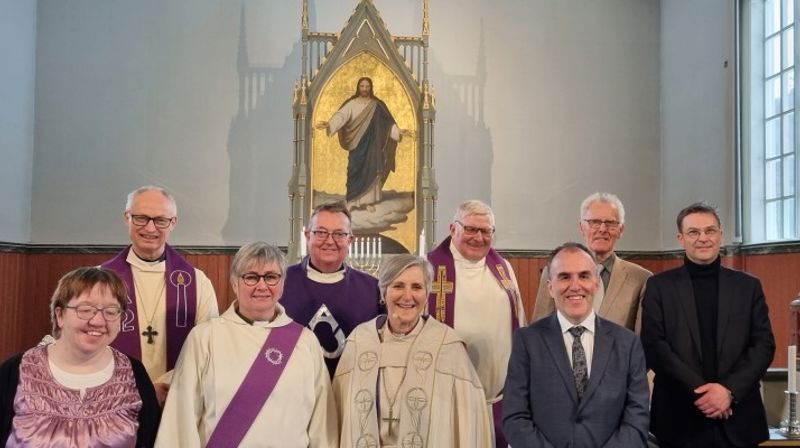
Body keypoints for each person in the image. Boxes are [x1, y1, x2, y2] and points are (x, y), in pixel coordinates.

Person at [155, 242, 337, 447]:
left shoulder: (305, 341)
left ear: (282, 283)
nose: (262, 286)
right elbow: (181, 421)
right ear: (234, 283)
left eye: (271, 277)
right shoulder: (205, 338)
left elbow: (323, 424)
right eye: (251, 277)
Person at [641, 202, 775, 447]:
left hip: (738, 416)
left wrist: (728, 392)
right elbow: (655, 347)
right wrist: (704, 393)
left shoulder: (748, 286)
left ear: (720, 235)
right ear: (681, 238)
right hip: (679, 418)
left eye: (710, 230)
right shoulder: (659, 287)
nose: (703, 238)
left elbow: (763, 345)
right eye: (693, 232)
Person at [334, 254, 492, 447]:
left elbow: (469, 426)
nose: (407, 296)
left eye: (417, 287)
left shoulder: (448, 346)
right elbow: (338, 419)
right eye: (398, 286)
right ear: (383, 292)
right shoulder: (359, 341)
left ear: (427, 295)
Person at [503, 243, 650, 447]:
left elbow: (637, 417)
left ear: (596, 283)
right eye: (564, 277)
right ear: (550, 287)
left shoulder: (627, 343)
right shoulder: (527, 341)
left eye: (584, 276)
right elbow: (515, 417)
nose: (575, 286)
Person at [0, 267, 160, 447]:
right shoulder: (15, 371)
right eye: (85, 309)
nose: (98, 321)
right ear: (60, 315)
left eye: (110, 311)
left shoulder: (134, 373)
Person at [101, 185, 219, 404]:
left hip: (176, 397)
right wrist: (141, 390)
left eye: (160, 220)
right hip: (114, 401)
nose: (150, 228)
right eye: (141, 218)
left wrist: (167, 385)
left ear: (173, 223)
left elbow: (208, 347)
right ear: (127, 218)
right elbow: (88, 341)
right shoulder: (100, 281)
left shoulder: (197, 282)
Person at [427, 199, 526, 447]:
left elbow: (521, 323)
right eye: (470, 229)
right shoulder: (427, 268)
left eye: (486, 231)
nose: (478, 238)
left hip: (499, 399)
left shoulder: (504, 269)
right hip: (445, 399)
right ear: (453, 229)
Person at [283, 201, 382, 376]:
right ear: (307, 236)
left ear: (350, 239)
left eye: (339, 234)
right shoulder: (281, 282)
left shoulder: (372, 289)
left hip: (352, 389)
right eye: (321, 232)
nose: (330, 241)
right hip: (294, 388)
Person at [533, 192, 652, 332]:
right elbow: (539, 329)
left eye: (610, 223)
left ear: (621, 230)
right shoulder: (554, 270)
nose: (602, 229)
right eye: (594, 222)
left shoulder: (640, 279)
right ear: (581, 227)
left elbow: (639, 340)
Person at [315, 77, 409, 210]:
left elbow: (387, 124)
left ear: (371, 88)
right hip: (357, 145)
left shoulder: (377, 105)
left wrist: (398, 132)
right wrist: (330, 124)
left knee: (371, 169)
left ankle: (367, 202)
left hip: (373, 146)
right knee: (354, 169)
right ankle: (353, 201)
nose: (365, 89)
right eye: (362, 86)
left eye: (367, 86)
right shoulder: (352, 104)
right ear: (358, 88)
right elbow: (342, 116)